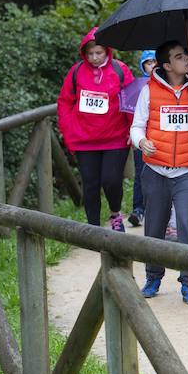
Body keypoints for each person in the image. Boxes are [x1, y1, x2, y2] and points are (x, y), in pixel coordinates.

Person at [131, 40, 188, 305]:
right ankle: (153, 278)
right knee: (154, 227)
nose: (187, 60)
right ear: (167, 65)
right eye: (180, 57)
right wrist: (141, 142)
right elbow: (137, 126)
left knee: (186, 226)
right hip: (156, 169)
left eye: (187, 55)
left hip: (187, 171)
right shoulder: (149, 91)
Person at [56, 28, 134, 231]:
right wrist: (67, 130)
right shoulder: (76, 72)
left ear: (107, 51)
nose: (94, 57)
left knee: (111, 180)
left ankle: (115, 214)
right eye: (90, 54)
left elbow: (131, 100)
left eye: (98, 53)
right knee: (90, 185)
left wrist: (133, 129)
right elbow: (65, 102)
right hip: (84, 139)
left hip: (115, 137)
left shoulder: (120, 70)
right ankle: (92, 229)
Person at [128, 50, 157, 228]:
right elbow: (129, 111)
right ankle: (138, 209)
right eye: (148, 62)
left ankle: (156, 208)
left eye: (155, 61)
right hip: (141, 138)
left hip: (160, 139)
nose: (152, 65)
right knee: (140, 174)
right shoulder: (136, 86)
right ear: (142, 65)